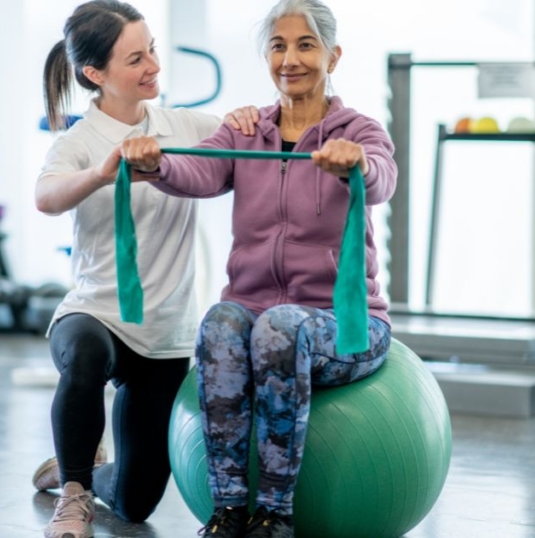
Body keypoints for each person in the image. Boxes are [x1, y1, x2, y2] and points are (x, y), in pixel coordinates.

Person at [120, 0, 396, 536]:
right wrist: (155, 163)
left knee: (277, 329)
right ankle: (227, 510)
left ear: (333, 56)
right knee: (223, 321)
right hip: (257, 317)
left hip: (345, 327)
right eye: (278, 45)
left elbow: (383, 177)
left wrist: (356, 163)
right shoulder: (245, 131)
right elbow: (196, 168)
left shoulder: (359, 131)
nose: (290, 58)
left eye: (305, 44)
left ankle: (275, 515)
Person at [32, 2, 257, 537]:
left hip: (164, 334)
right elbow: (45, 197)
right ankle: (73, 493)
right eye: (136, 58)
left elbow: (249, 140)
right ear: (96, 74)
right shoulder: (77, 142)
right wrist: (100, 173)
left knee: (135, 504)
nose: (154, 64)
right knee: (84, 355)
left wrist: (250, 119)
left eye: (152, 48)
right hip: (96, 314)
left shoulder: (184, 126)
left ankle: (75, 470)